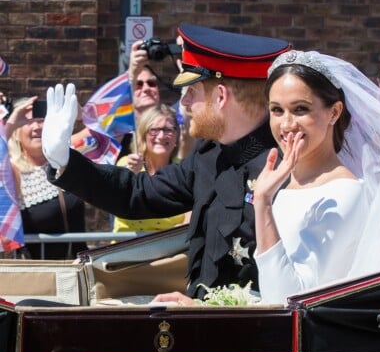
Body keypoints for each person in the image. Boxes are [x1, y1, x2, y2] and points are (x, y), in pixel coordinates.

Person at [41, 24, 291, 302]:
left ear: (221, 97)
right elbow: (137, 194)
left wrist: (205, 309)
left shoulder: (284, 166)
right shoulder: (209, 156)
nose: (183, 102)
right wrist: (64, 160)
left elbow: (291, 283)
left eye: (192, 92)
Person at [252, 51, 380, 303]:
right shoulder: (287, 188)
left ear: (334, 112)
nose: (286, 124)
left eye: (300, 109)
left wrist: (263, 202)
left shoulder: (344, 192)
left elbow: (286, 300)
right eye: (277, 110)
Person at [8, 98, 87, 259]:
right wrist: (10, 125)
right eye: (28, 121)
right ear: (17, 133)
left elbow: (109, 129)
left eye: (42, 119)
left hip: (76, 270)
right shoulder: (11, 171)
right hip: (36, 275)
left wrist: (83, 115)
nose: (37, 126)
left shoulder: (68, 156)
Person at [112, 104, 190, 233]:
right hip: (129, 246)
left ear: (177, 135)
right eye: (154, 130)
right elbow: (116, 202)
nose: (161, 136)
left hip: (172, 245)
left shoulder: (184, 168)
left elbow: (192, 211)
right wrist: (131, 176)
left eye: (168, 130)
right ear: (143, 134)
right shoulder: (126, 164)